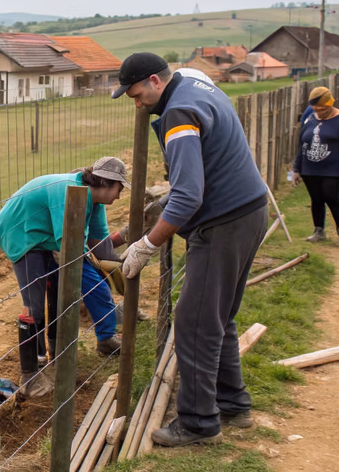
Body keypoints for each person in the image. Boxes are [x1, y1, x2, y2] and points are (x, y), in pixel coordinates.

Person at [111, 53, 269, 447]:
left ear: (154, 80)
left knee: (194, 323)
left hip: (223, 225)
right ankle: (232, 403)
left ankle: (199, 423)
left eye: (136, 94)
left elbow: (187, 197)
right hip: (249, 211)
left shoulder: (179, 113)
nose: (137, 104)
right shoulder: (196, 84)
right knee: (217, 316)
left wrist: (146, 245)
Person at [0, 156, 133, 397]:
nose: (120, 195)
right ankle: (30, 374)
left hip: (45, 237)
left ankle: (57, 356)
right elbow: (67, 243)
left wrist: (123, 264)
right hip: (22, 234)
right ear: (107, 183)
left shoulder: (94, 201)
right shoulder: (68, 191)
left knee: (58, 296)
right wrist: (97, 276)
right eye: (120, 189)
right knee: (33, 306)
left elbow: (99, 244)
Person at [291, 87, 339, 249]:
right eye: (316, 109)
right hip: (309, 169)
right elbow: (302, 145)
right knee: (316, 199)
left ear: (330, 105)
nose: (319, 112)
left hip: (333, 169)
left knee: (331, 197)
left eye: (322, 109)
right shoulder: (309, 118)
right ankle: (319, 230)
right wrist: (296, 169)